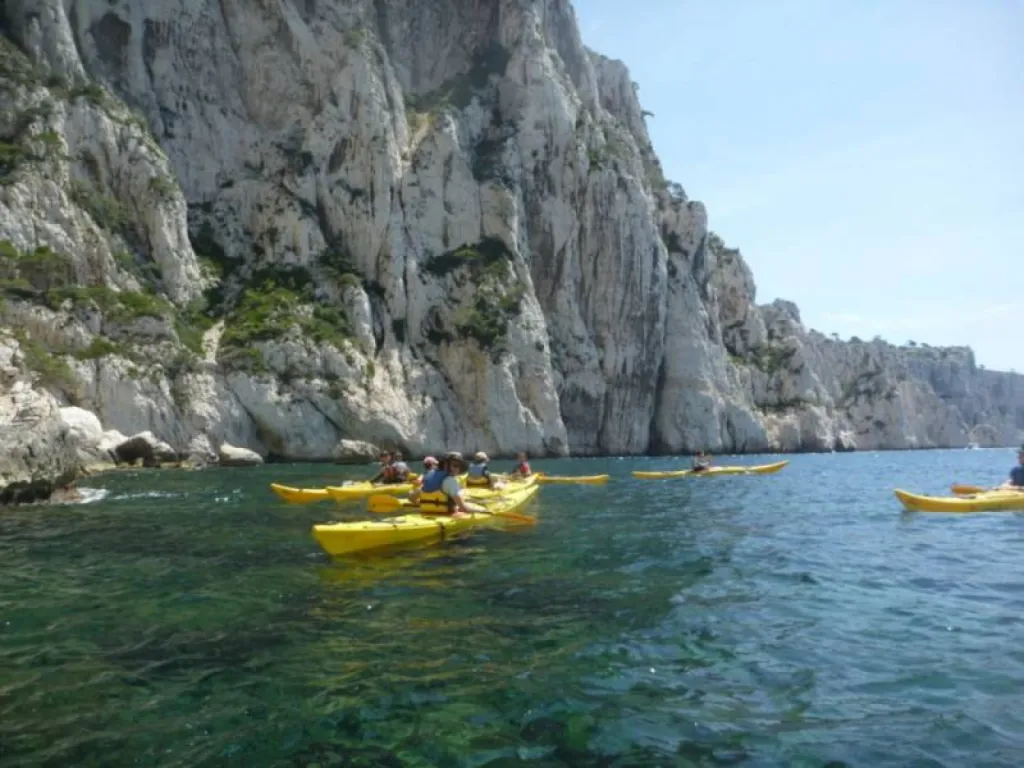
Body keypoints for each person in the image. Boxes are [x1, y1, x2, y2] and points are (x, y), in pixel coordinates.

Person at [413, 451, 478, 517]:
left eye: (458, 466)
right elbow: (463, 508)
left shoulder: (428, 476)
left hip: (426, 513)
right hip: (447, 515)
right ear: (446, 464)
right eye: (455, 465)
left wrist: (422, 503)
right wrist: (478, 511)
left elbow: (412, 497)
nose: (457, 468)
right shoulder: (450, 481)